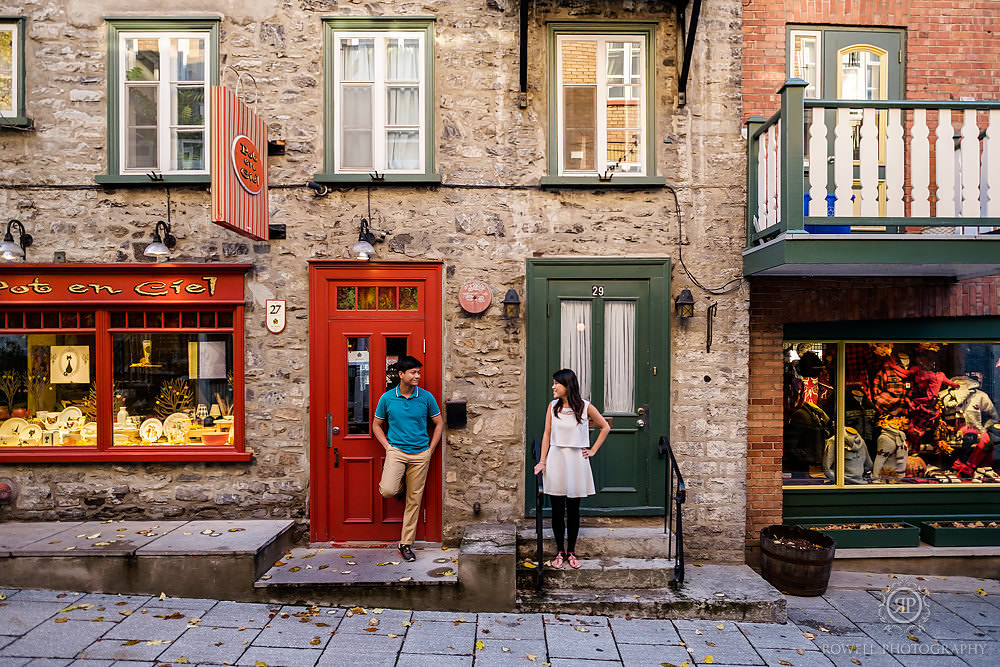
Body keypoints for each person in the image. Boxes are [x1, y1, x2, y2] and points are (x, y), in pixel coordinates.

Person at [532, 368, 611, 569]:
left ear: (567, 385)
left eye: (556, 383)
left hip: (576, 460)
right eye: (553, 383)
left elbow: (605, 427)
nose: (553, 387)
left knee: (573, 510)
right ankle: (559, 552)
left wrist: (592, 450)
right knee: (557, 510)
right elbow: (546, 435)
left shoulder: (585, 407)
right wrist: (542, 461)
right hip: (556, 458)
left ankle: (571, 552)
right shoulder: (552, 407)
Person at [373, 355, 444, 562]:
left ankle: (405, 544)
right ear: (401, 374)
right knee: (388, 490)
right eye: (413, 372)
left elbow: (438, 424)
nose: (417, 376)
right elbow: (376, 425)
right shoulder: (387, 398)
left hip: (421, 454)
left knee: (414, 501)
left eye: (418, 372)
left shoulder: (426, 397)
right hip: (397, 452)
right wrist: (387, 447)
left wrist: (430, 450)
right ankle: (400, 484)